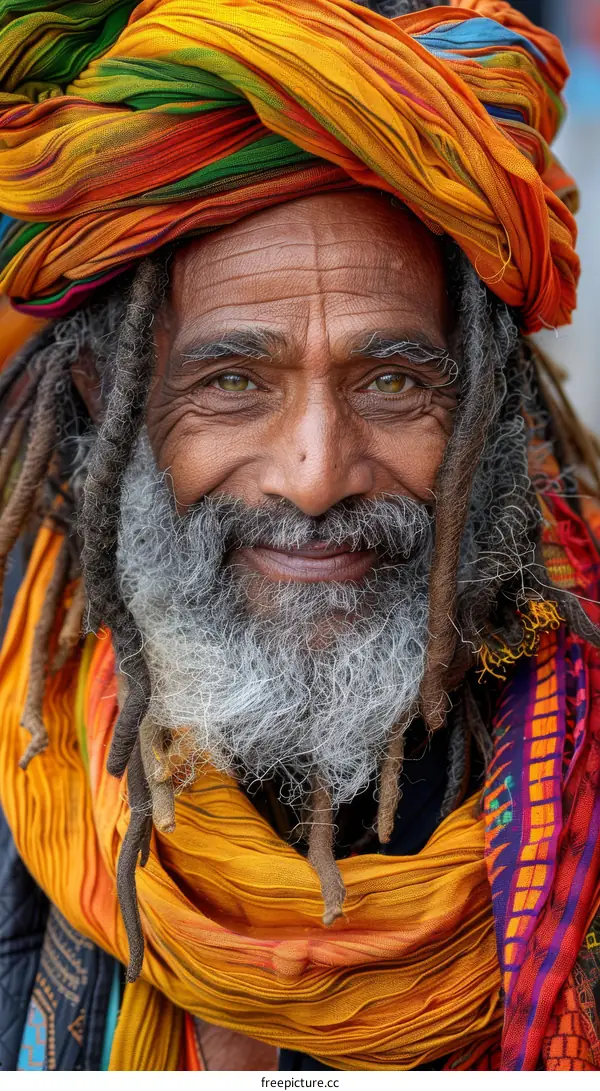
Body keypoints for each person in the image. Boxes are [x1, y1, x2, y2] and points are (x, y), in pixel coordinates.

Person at [0, 0, 598, 1073]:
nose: (316, 476)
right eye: (233, 382)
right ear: (110, 394)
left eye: (393, 380)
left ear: (483, 404)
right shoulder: (23, 713)